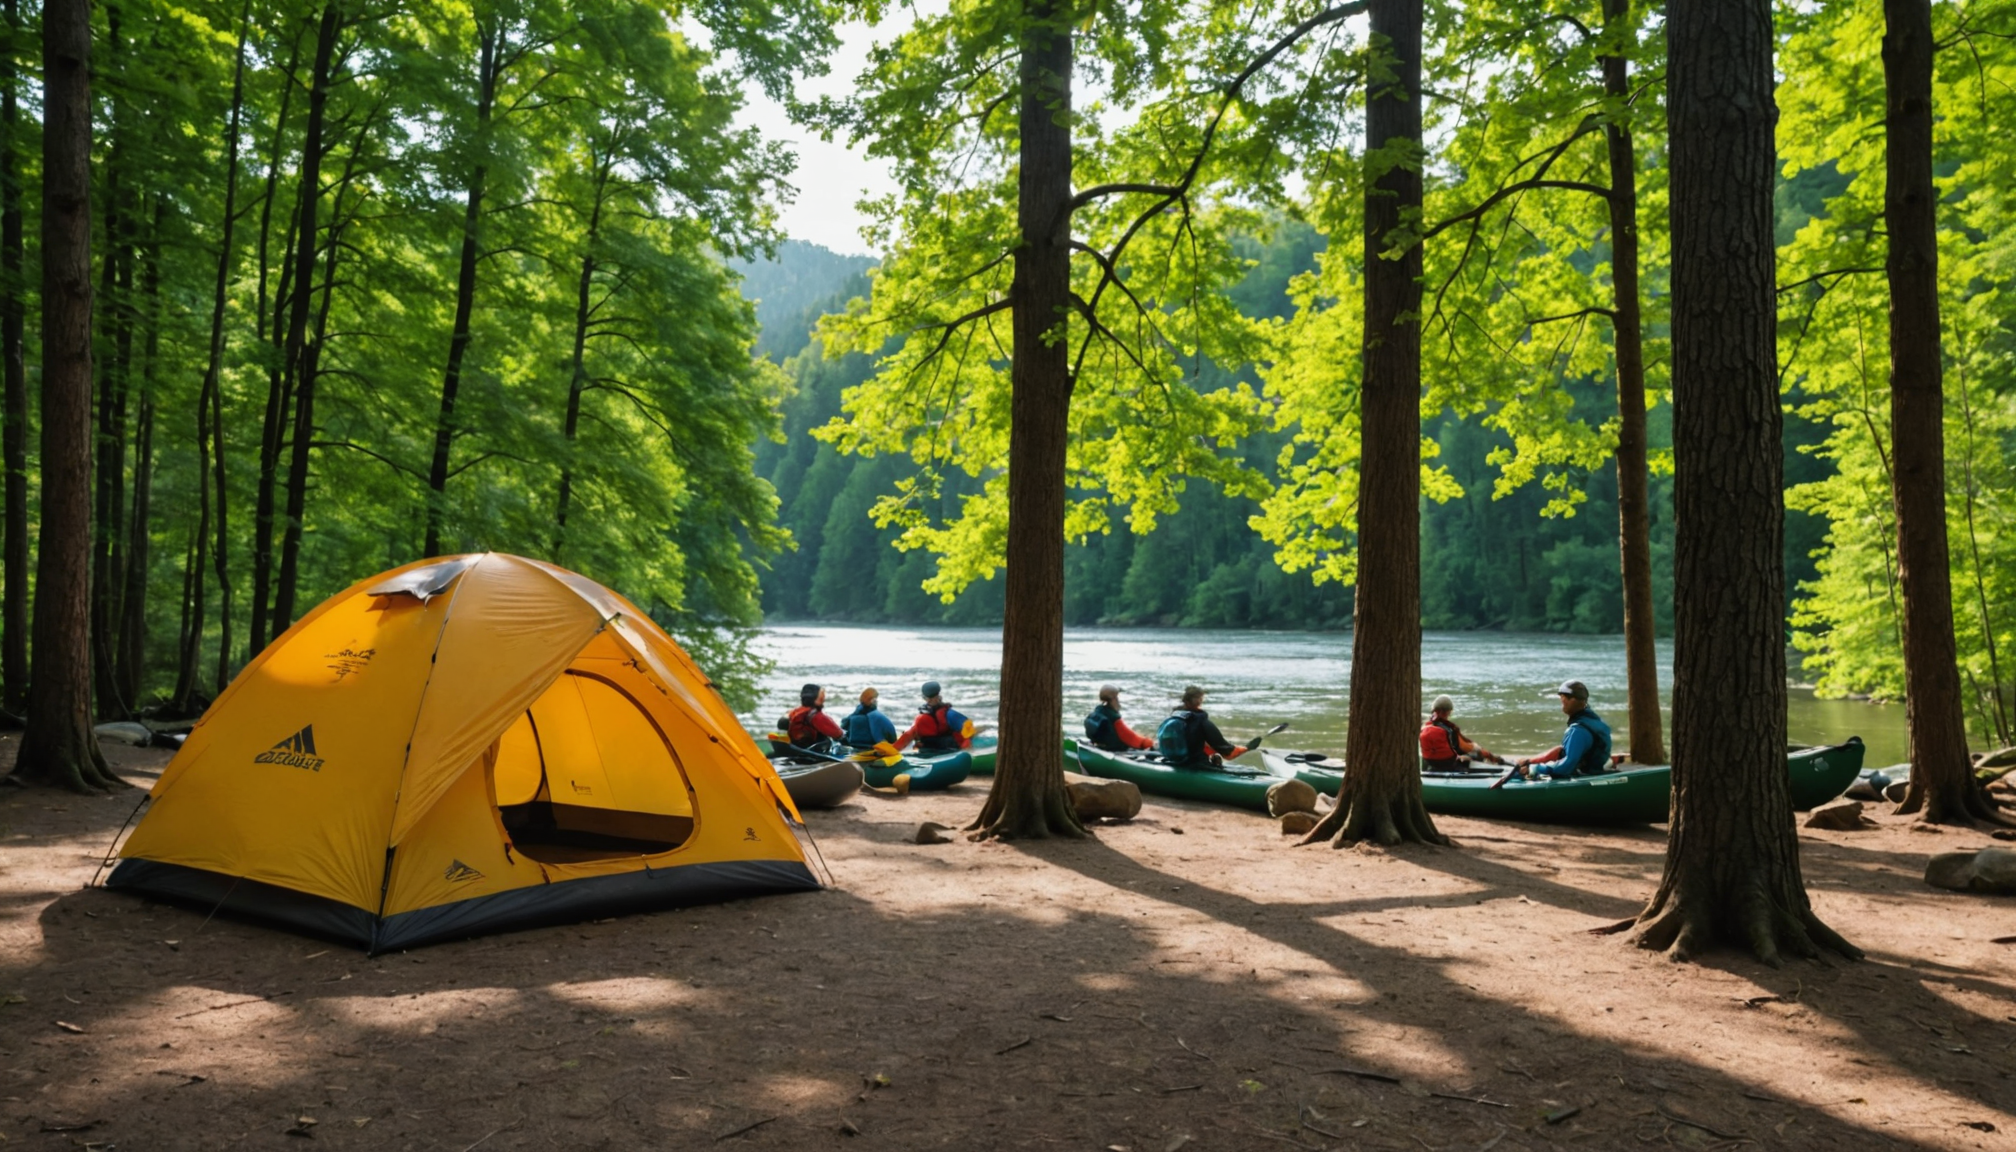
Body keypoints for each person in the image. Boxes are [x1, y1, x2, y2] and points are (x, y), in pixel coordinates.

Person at [1501, 680, 1614, 782]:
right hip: (1595, 769)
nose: (1562, 706)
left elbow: (1566, 767)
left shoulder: (1578, 730)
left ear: (1573, 700)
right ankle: (1528, 763)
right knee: (1559, 751)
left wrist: (1537, 768)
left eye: (1563, 701)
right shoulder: (1595, 720)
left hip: (1583, 776)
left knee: (1533, 770)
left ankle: (1527, 767)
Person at [1156, 685, 1247, 768]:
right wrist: (1236, 750)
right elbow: (1219, 744)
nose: (1200, 701)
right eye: (1199, 698)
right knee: (1221, 754)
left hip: (1174, 759)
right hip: (1194, 762)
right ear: (1197, 700)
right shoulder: (1199, 720)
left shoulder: (1175, 716)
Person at [1419, 694, 1495, 770]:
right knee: (1477, 754)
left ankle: (1424, 771)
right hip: (1450, 763)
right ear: (1448, 712)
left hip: (1430, 762)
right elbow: (1463, 747)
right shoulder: (1449, 729)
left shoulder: (1425, 726)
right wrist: (1481, 751)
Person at [895, 681, 974, 753]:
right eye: (926, 698)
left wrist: (967, 753)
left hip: (950, 751)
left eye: (932, 697)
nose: (929, 701)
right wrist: (892, 751)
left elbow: (969, 732)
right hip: (927, 753)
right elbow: (909, 735)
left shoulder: (950, 715)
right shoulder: (922, 717)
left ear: (938, 696)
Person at [1084, 684, 1154, 752]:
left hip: (1101, 745)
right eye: (1117, 697)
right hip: (1114, 750)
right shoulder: (1114, 719)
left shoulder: (1099, 712)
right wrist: (1149, 743)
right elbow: (1132, 739)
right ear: (1114, 699)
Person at [782, 683, 843, 749]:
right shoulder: (816, 716)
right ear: (817, 699)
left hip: (796, 745)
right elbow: (838, 734)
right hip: (812, 748)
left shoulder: (793, 712)